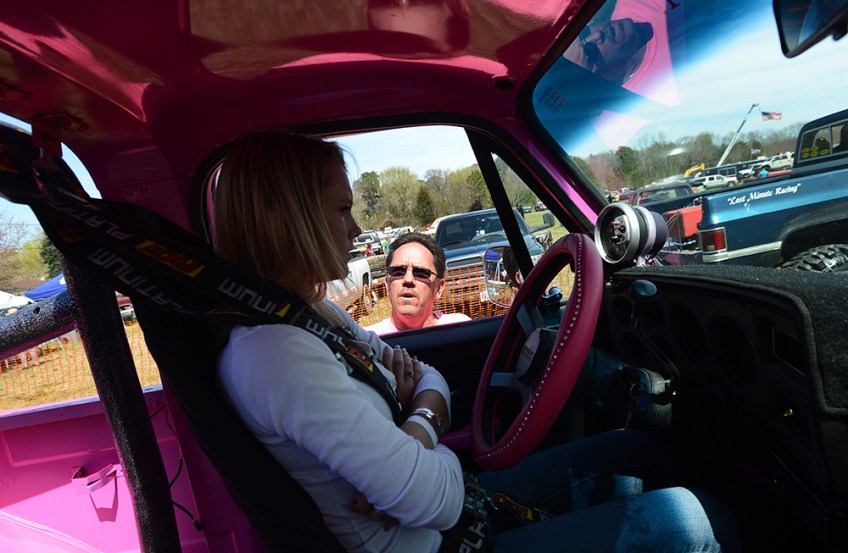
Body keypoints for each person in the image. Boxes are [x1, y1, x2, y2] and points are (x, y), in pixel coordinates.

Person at [213, 131, 739, 553]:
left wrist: (416, 428)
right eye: (342, 210)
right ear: (290, 220)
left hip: (458, 514)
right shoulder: (276, 354)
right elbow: (433, 501)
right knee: (698, 521)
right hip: (444, 538)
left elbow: (429, 377)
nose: (355, 231)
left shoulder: (313, 314)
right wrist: (424, 428)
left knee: (635, 450)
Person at [367, 233, 470, 334]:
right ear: (387, 284)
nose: (408, 280)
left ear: (438, 288)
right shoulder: (369, 340)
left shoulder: (461, 330)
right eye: (398, 271)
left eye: (421, 273)